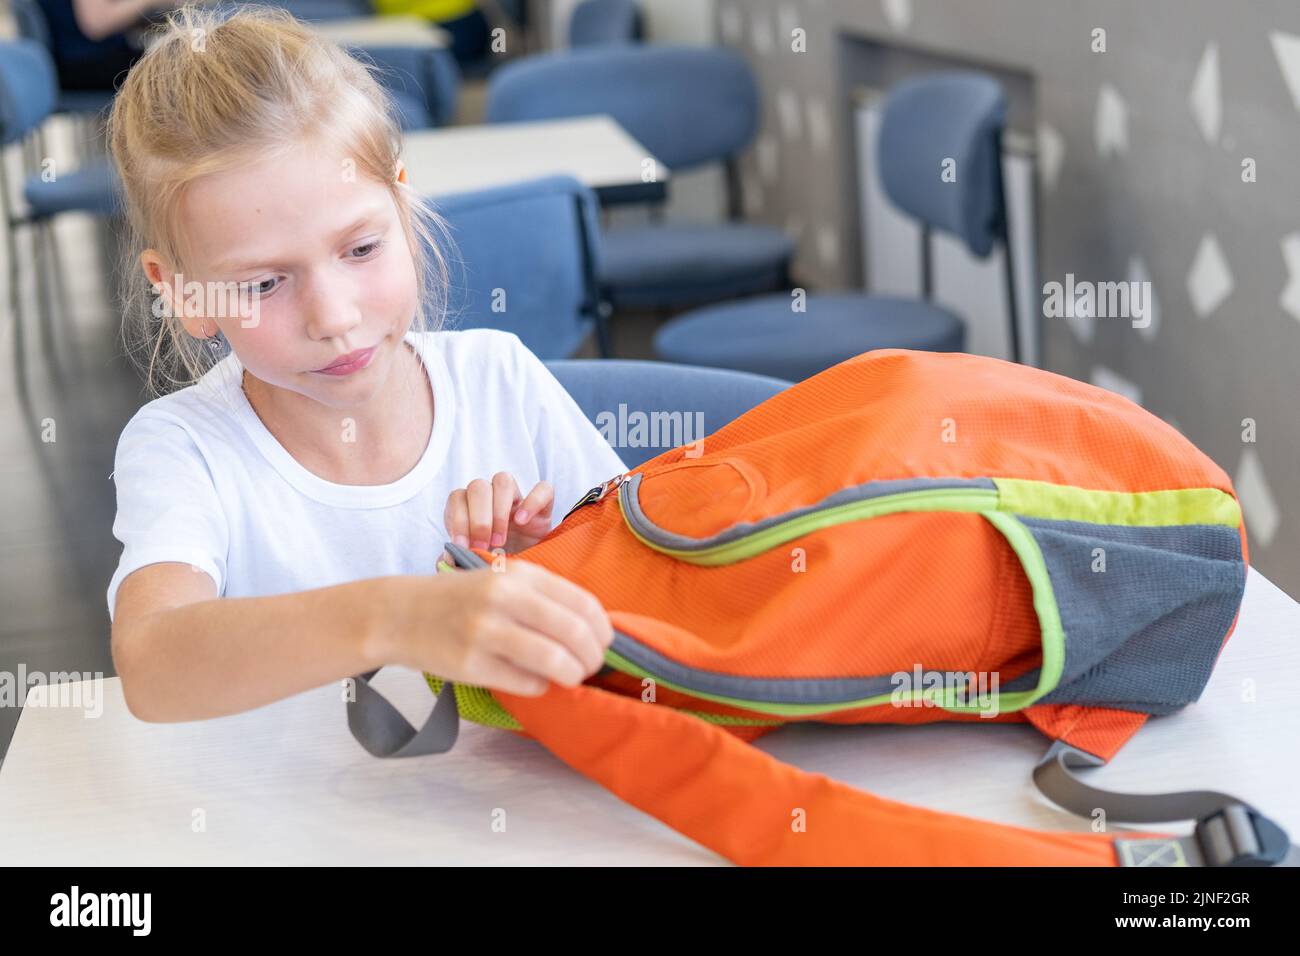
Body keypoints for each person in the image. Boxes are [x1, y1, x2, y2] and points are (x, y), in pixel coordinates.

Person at [104, 4, 623, 723]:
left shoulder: (499, 378)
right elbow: (154, 666)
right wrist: (397, 616)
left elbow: (649, 592)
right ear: (185, 294)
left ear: (402, 208)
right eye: (263, 284)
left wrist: (554, 563)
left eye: (361, 249)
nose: (335, 316)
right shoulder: (185, 448)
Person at [36, 0, 180, 91]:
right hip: (81, 61)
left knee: (175, 58)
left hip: (86, 55)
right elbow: (96, 23)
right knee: (176, 69)